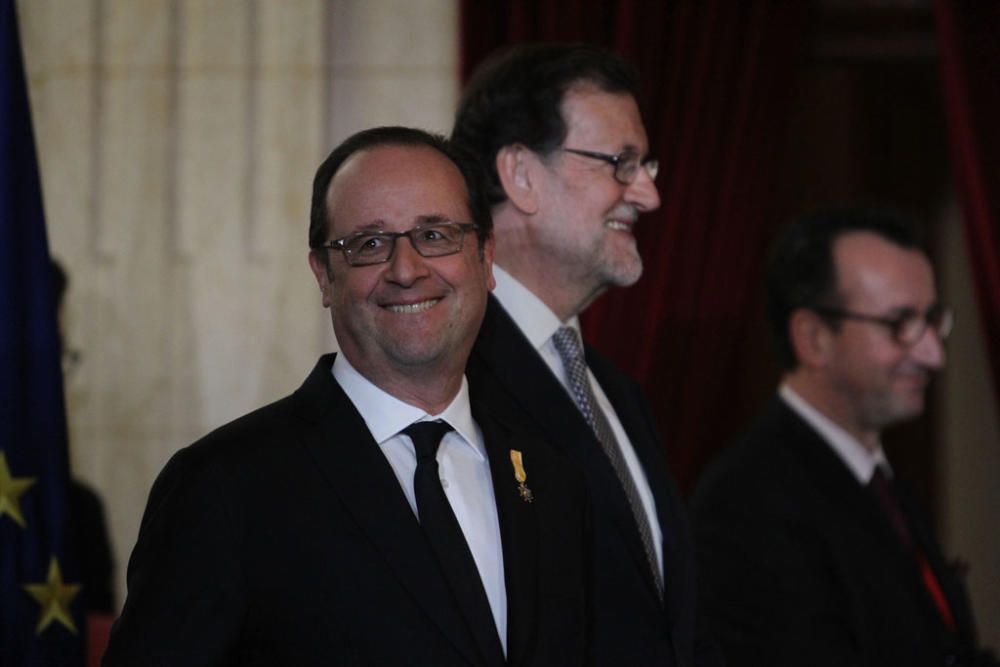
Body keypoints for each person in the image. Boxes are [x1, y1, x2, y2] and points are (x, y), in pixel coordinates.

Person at [103, 127, 590, 666]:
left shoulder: (551, 479)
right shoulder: (225, 487)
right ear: (324, 277)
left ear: (485, 256)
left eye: (435, 236)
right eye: (369, 245)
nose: (406, 270)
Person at [453, 43, 720, 666]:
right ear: (520, 175)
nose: (649, 194)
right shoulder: (455, 380)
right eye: (620, 163)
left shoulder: (617, 392)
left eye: (645, 163)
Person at [691, 208, 998, 666]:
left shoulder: (877, 477)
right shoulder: (748, 503)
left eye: (933, 320)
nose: (933, 353)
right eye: (900, 324)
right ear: (813, 337)